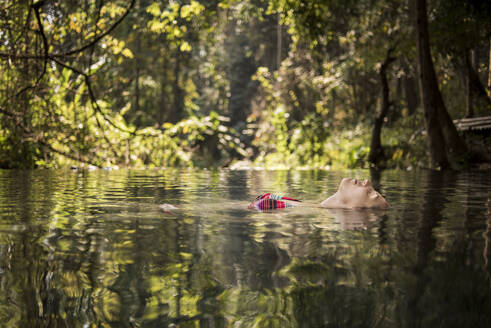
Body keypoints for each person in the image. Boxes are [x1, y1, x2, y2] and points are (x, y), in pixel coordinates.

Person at [249, 178, 388, 211]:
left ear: (355, 208)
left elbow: (259, 205)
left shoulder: (269, 205)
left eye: (370, 192)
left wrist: (261, 204)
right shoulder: (296, 203)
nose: (367, 181)